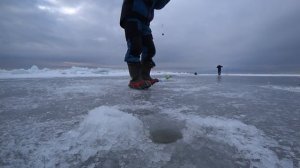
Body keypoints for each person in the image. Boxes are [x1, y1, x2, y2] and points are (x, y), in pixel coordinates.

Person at [120, 0, 170, 89]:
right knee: (135, 46)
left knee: (150, 49)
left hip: (145, 23)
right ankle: (135, 79)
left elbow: (158, 5)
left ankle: (145, 76)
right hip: (132, 15)